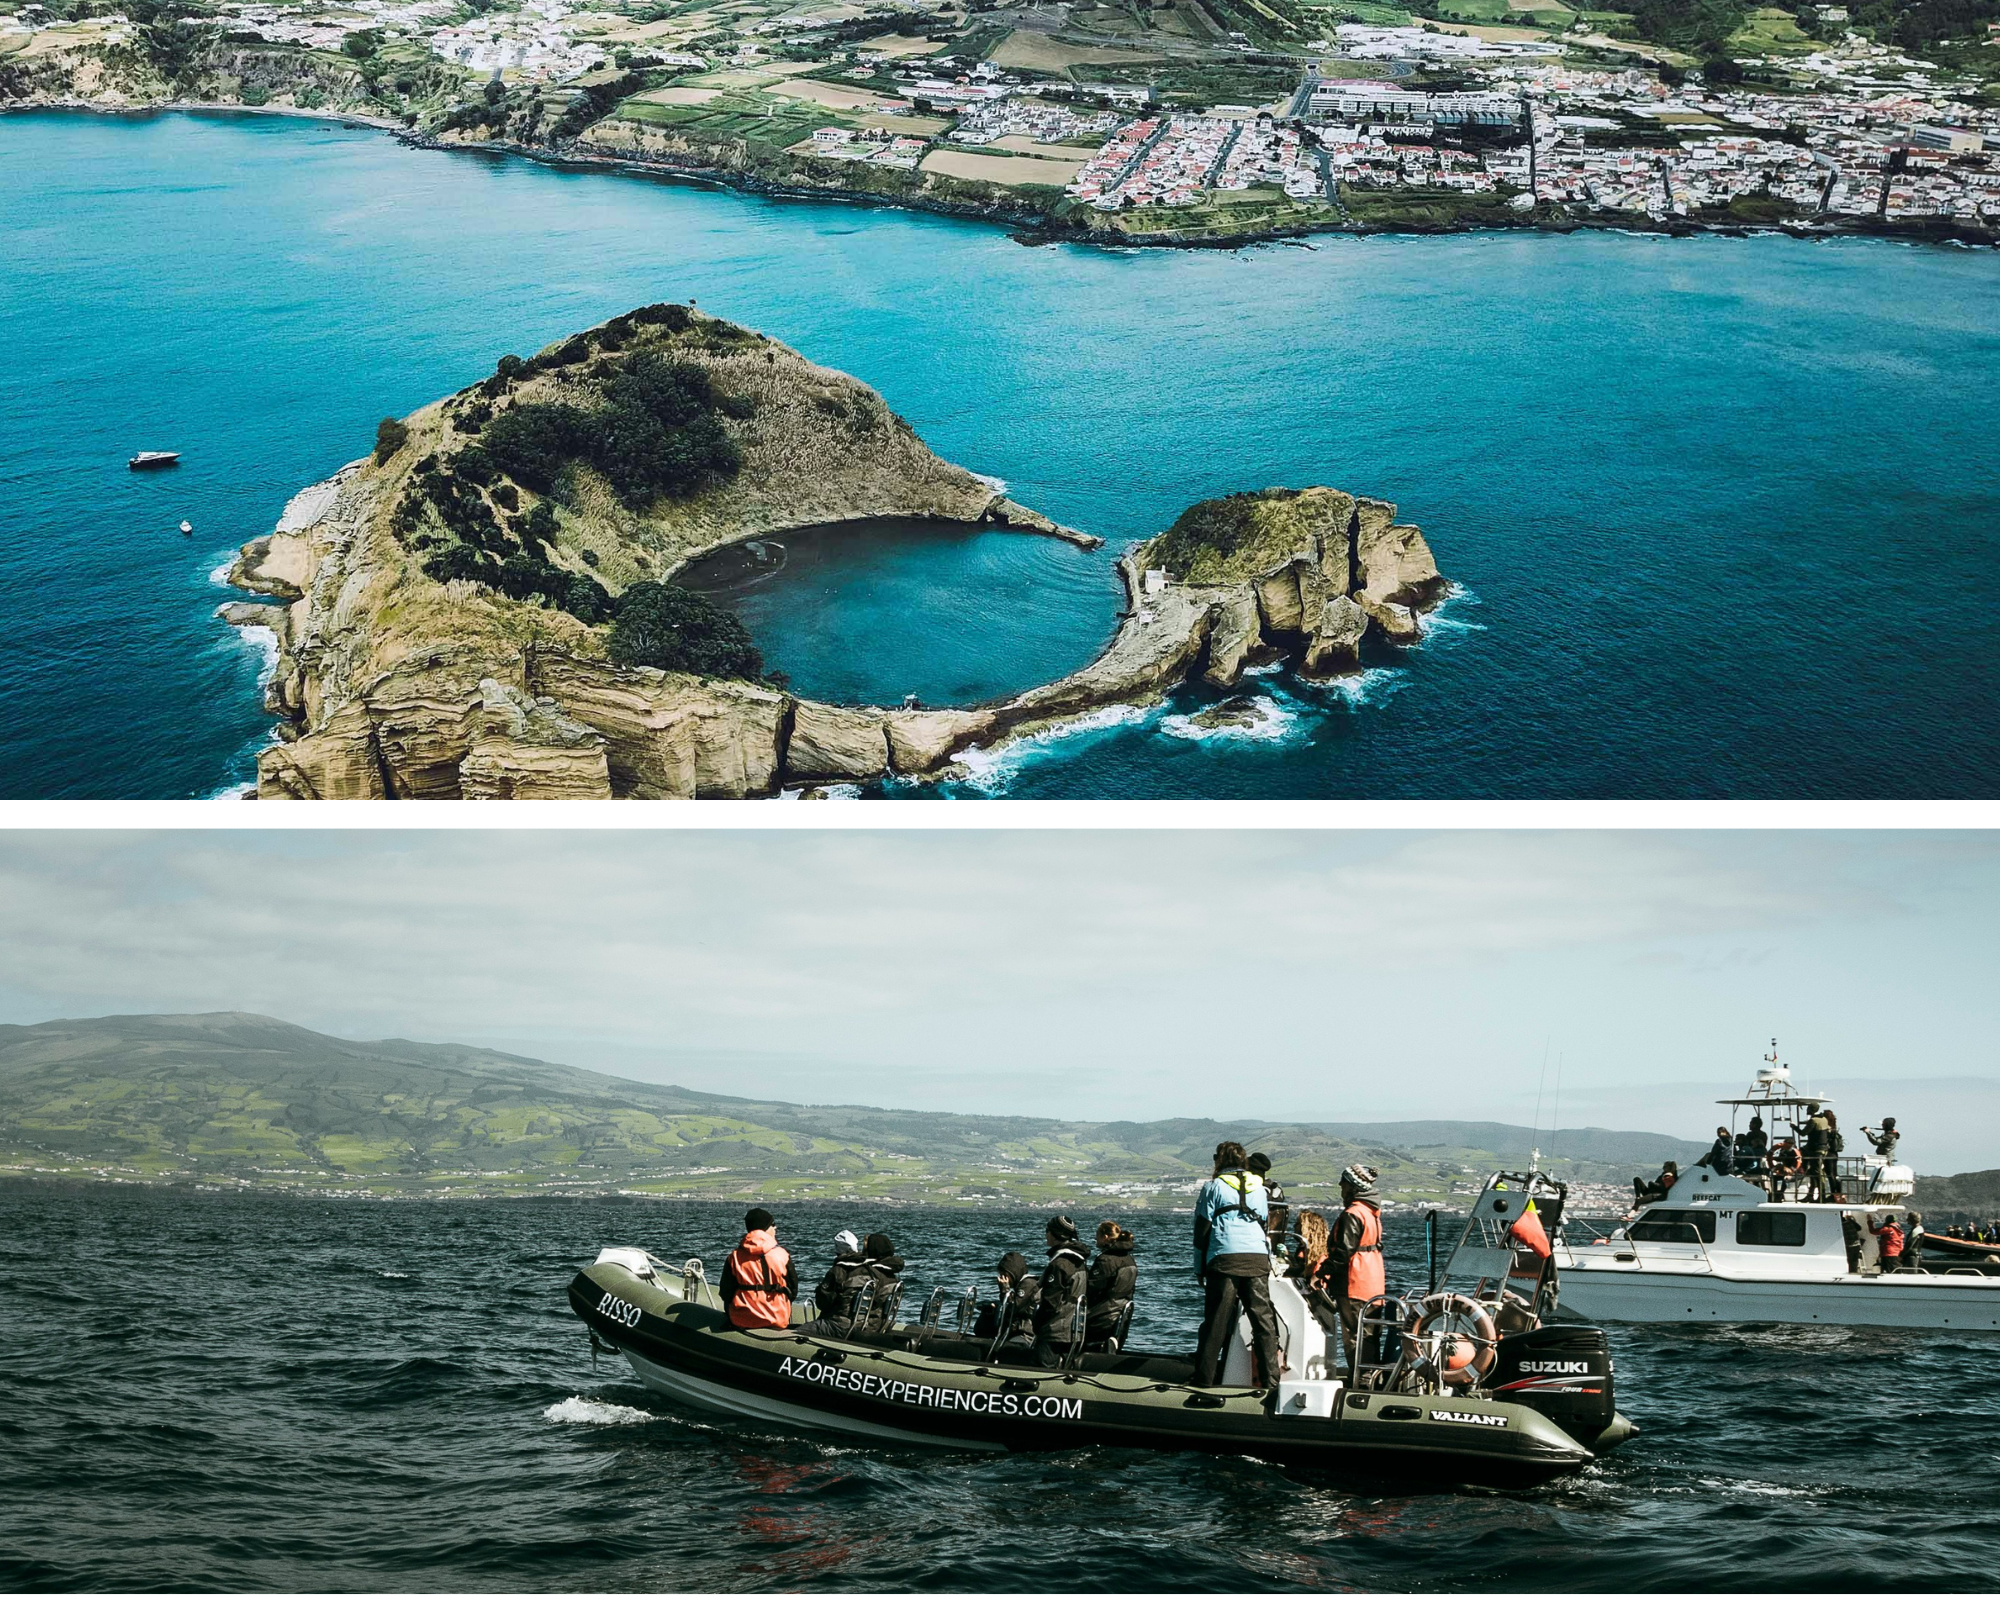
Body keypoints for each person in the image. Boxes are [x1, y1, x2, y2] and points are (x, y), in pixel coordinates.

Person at [1192, 1140, 1283, 1389]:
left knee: (1216, 1322)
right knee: (1263, 1321)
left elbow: (1201, 1232)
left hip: (1224, 1258)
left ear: (1219, 1160)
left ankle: (1204, 1380)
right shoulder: (1260, 1188)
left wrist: (1199, 1267)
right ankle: (1271, 1382)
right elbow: (1263, 1222)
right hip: (1256, 1258)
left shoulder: (1213, 1187)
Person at [1319, 1164, 1385, 1371]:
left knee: (1354, 1335)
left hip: (1354, 1282)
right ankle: (1372, 1378)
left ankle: (1362, 1383)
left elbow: (1343, 1252)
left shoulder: (1353, 1213)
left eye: (1344, 1182)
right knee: (1370, 1334)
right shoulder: (1371, 1213)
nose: (1340, 1186)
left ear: (1353, 1187)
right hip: (1373, 1282)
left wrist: (1321, 1272)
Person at [804, 1231, 904, 1335]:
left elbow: (823, 1303)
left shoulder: (856, 1272)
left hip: (844, 1326)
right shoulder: (895, 1279)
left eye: (865, 1248)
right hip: (876, 1326)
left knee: (799, 1332)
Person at [721, 1207, 798, 1330]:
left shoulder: (734, 1256)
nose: (775, 1227)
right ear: (765, 1228)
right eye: (773, 1224)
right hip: (777, 1319)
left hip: (741, 1319)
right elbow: (793, 1291)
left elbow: (725, 1292)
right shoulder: (782, 1255)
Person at [1032, 1215, 1090, 1366]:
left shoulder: (1060, 1264)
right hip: (1073, 1329)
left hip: (1055, 1331)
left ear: (1056, 1234)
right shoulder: (1080, 1261)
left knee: (1043, 1369)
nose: (1046, 1234)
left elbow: (1050, 1302)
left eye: (1047, 1231)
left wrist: (1036, 1324)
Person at [1085, 1220, 1138, 1348]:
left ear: (1105, 1237)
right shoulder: (1129, 1259)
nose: (1095, 1238)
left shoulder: (1106, 1260)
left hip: (1101, 1316)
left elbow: (1091, 1287)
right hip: (1118, 1313)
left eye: (1097, 1235)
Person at [973, 1251, 1039, 1343]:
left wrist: (1004, 1291)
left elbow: (1013, 1310)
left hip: (1025, 1335)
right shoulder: (1021, 1286)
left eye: (1004, 1275)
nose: (1002, 1278)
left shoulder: (1028, 1285)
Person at [1733, 1115, 1769, 1179]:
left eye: (1750, 1123)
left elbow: (1746, 1146)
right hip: (1761, 1156)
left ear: (1754, 1125)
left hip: (1752, 1158)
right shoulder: (1764, 1134)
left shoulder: (1751, 1134)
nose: (1749, 1125)